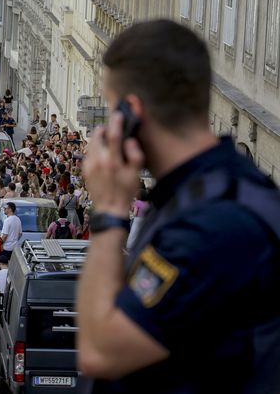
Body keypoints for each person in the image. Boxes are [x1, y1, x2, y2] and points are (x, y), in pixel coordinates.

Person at [77, 20, 280, 393]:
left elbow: (100, 352)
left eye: (110, 111)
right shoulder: (213, 191)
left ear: (131, 112)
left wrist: (107, 212)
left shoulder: (211, 223)